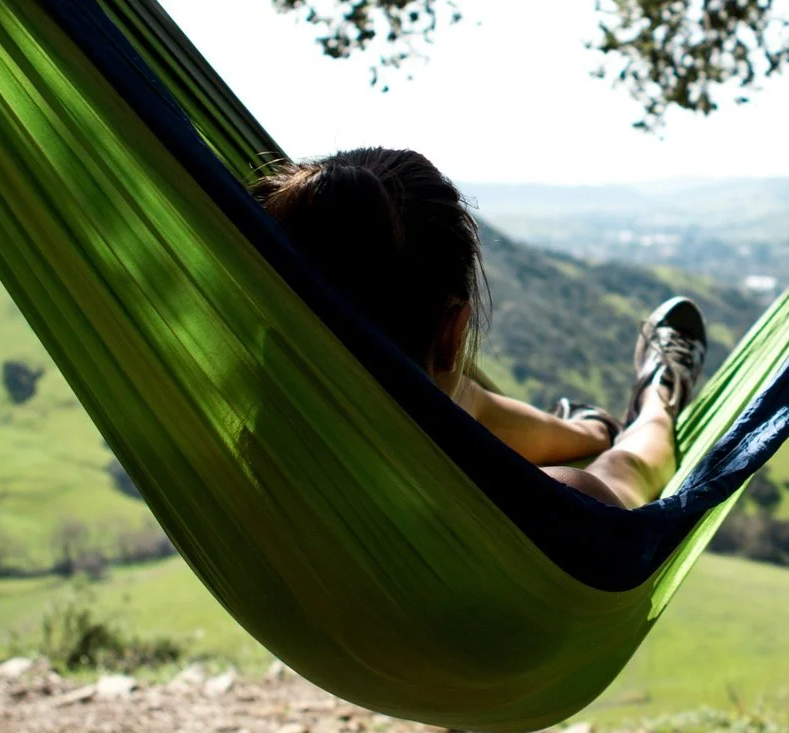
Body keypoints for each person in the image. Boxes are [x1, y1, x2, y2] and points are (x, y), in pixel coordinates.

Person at [253, 147, 706, 510]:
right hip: (527, 523)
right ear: (454, 331)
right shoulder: (555, 507)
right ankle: (658, 395)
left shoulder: (229, 465)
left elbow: (463, 403)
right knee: (626, 461)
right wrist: (639, 428)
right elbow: (637, 470)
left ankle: (591, 429)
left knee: (442, 398)